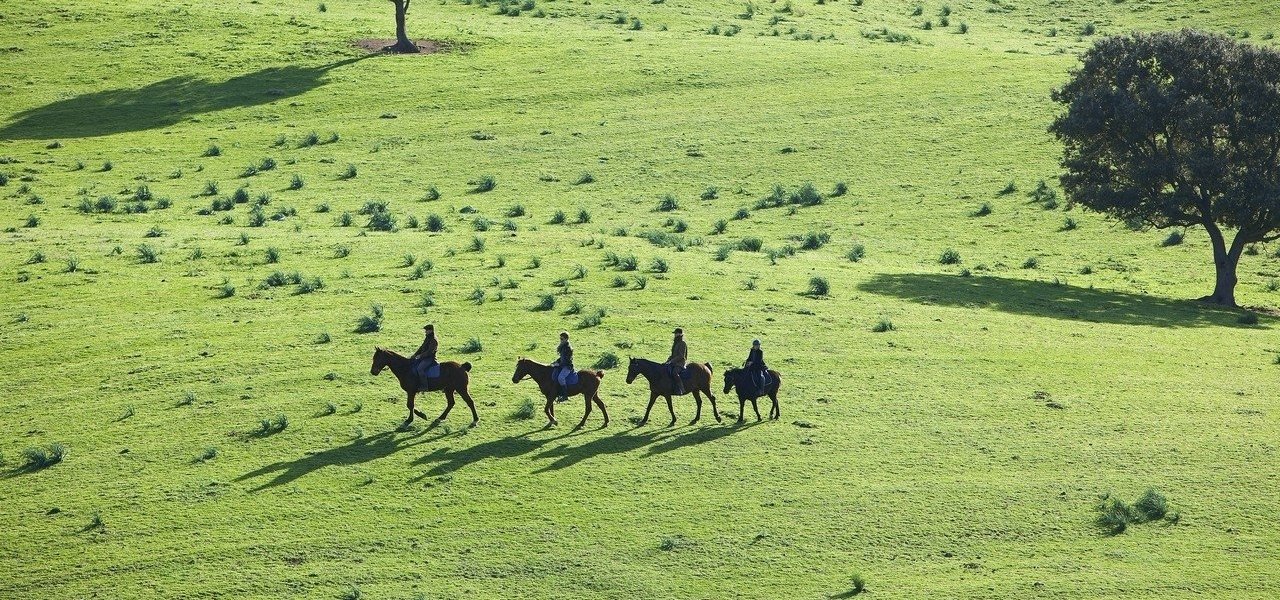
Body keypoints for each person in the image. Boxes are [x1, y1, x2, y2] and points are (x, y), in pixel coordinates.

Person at [551, 331, 573, 401]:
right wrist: (556, 362)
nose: (560, 340)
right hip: (562, 365)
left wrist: (559, 364)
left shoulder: (568, 348)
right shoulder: (563, 347)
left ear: (566, 339)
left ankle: (565, 395)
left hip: (567, 366)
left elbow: (566, 360)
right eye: (560, 339)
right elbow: (562, 358)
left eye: (562, 339)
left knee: (561, 378)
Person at [667, 328, 687, 395]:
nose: (675, 335)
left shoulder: (682, 343)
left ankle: (681, 389)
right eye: (675, 333)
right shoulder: (675, 343)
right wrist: (668, 360)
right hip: (673, 362)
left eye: (676, 333)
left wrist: (672, 361)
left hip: (680, 363)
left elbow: (681, 356)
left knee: (674, 373)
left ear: (680, 334)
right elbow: (673, 355)